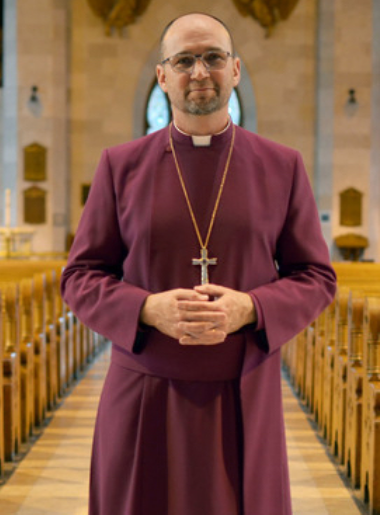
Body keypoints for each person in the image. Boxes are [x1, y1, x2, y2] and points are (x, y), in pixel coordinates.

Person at [61, 12, 336, 515]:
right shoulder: (120, 166)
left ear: (235, 69)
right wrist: (146, 308)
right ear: (163, 76)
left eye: (212, 57)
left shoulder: (283, 166)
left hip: (242, 391)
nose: (199, 71)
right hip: (144, 387)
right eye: (184, 60)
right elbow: (80, 277)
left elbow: (316, 277)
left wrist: (252, 307)